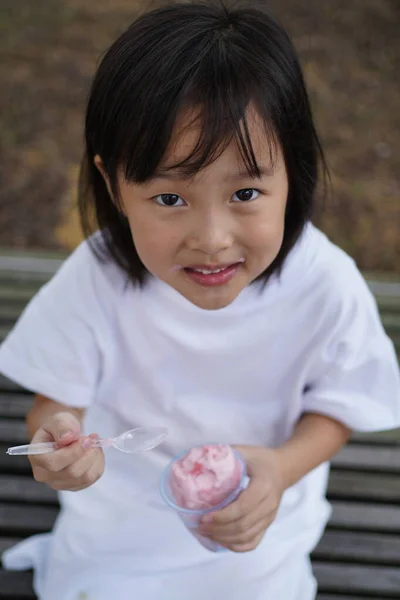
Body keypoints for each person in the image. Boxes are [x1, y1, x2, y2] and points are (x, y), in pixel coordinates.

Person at [1, 1, 399, 599]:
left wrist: (283, 467)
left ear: (294, 173)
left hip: (256, 530)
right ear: (114, 185)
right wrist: (57, 442)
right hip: (120, 532)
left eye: (245, 191)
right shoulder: (99, 277)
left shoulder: (323, 284)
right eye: (169, 199)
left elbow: (341, 403)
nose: (211, 240)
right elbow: (53, 405)